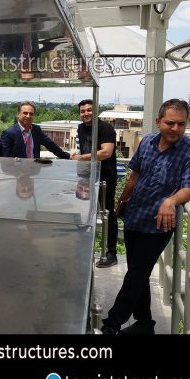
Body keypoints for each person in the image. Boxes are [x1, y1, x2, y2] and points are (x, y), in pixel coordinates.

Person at [100, 99, 190, 335]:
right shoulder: (147, 141)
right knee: (139, 273)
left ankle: (111, 324)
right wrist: (122, 202)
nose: (175, 128)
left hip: (159, 224)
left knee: (137, 272)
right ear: (159, 122)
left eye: (181, 124)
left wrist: (171, 201)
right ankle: (145, 323)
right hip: (134, 216)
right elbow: (134, 176)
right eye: (170, 123)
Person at [73, 99, 118, 268]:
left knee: (107, 213)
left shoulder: (105, 128)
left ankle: (110, 252)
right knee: (85, 210)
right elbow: (85, 149)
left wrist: (81, 158)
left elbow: (106, 152)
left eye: (89, 110)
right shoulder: (80, 128)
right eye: (83, 111)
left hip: (105, 177)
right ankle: (83, 247)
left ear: (96, 111)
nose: (86, 113)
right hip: (87, 175)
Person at [0, 101, 71, 159]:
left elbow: (51, 145)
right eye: (25, 113)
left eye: (31, 114)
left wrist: (69, 156)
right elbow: (4, 160)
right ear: (18, 114)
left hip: (34, 172)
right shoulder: (8, 134)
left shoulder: (36, 130)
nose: (28, 116)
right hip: (17, 173)